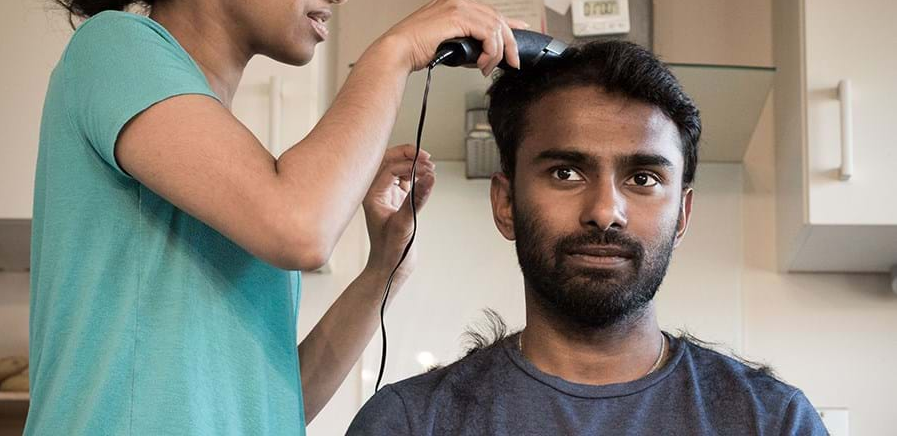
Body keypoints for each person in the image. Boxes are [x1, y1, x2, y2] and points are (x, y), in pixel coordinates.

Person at [26, 0, 523, 434]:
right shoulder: (114, 48)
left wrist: (381, 273)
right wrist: (393, 52)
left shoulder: (241, 173)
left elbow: (274, 404)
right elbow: (301, 224)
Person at [347, 40, 828, 435]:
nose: (605, 212)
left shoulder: (773, 422)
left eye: (642, 178)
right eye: (566, 172)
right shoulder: (408, 424)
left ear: (682, 214)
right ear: (506, 203)